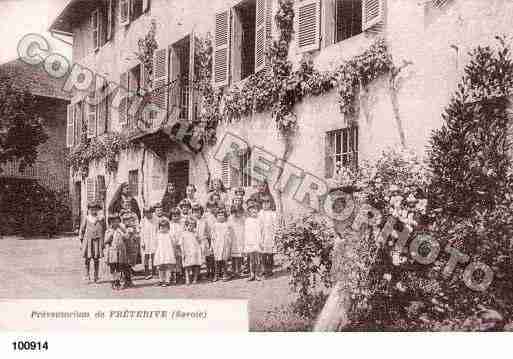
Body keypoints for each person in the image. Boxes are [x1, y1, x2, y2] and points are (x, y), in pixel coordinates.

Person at [79, 201, 105, 284]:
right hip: (88, 241)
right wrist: (81, 241)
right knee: (87, 259)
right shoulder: (86, 218)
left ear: (97, 210)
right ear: (89, 210)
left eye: (95, 209)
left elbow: (103, 230)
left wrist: (103, 241)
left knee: (96, 259)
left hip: (97, 241)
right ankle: (87, 276)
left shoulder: (100, 219)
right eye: (91, 209)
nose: (93, 211)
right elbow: (82, 230)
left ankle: (96, 276)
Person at [104, 213, 128, 290]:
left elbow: (126, 237)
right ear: (110, 222)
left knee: (118, 267)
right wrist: (110, 235)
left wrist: (123, 232)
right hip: (112, 252)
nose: (115, 223)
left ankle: (117, 281)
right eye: (113, 221)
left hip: (120, 251)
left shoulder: (121, 230)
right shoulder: (108, 231)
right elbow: (106, 241)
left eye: (117, 221)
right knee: (112, 267)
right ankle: (112, 280)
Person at [120, 199, 140, 288]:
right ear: (122, 205)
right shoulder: (121, 215)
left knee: (131, 258)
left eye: (129, 204)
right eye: (125, 204)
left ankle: (129, 279)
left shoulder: (134, 215)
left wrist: (136, 233)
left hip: (132, 238)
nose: (127, 206)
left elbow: (137, 224)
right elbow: (119, 225)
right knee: (124, 258)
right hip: (124, 237)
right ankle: (124, 279)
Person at [210, 207, 234, 281]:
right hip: (217, 244)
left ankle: (225, 274)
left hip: (224, 244)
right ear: (216, 216)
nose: (220, 216)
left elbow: (229, 235)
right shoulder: (214, 225)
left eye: (222, 215)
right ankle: (216, 274)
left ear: (225, 216)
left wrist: (229, 244)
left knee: (224, 260)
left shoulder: (227, 225)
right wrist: (212, 245)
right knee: (217, 260)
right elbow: (212, 236)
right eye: (219, 215)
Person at [260, 195, 279, 278]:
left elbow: (276, 225)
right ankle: (264, 268)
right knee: (263, 254)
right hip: (262, 235)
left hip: (270, 235)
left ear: (270, 204)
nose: (265, 205)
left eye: (267, 203)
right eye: (263, 203)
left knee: (270, 254)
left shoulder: (273, 213)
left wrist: (276, 234)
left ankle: (270, 269)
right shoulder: (260, 213)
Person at [153, 218, 176, 287]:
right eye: (161, 227)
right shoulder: (158, 235)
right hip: (160, 253)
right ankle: (161, 280)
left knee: (168, 266)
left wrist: (173, 250)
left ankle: (167, 280)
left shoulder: (170, 234)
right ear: (159, 228)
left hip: (168, 252)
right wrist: (156, 251)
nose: (163, 229)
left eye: (165, 227)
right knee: (160, 267)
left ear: (168, 228)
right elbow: (155, 244)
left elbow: (173, 243)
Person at [192, 204, 212, 281]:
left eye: (198, 211)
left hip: (203, 241)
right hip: (195, 242)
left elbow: (208, 232)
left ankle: (207, 272)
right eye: (195, 212)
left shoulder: (204, 221)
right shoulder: (192, 221)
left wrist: (209, 242)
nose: (196, 213)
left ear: (201, 212)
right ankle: (197, 273)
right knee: (197, 257)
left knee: (205, 257)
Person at [244, 200, 263, 281]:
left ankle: (257, 274)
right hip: (250, 242)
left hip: (257, 242)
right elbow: (246, 232)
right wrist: (246, 243)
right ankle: (252, 274)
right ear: (249, 212)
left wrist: (261, 242)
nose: (254, 213)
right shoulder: (247, 221)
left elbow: (261, 231)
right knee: (251, 260)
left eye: (255, 211)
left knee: (258, 259)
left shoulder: (259, 220)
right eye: (252, 212)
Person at [180, 217, 202, 284]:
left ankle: (195, 278)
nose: (191, 227)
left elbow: (199, 242)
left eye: (193, 226)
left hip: (195, 251)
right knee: (187, 266)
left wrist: (197, 237)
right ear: (186, 226)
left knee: (196, 265)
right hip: (187, 251)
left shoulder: (196, 233)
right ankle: (187, 278)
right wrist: (182, 251)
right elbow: (181, 243)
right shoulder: (183, 234)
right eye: (189, 225)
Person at [229, 200, 245, 278]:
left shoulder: (243, 219)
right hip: (233, 239)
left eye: (238, 212)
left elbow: (244, 228)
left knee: (239, 256)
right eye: (235, 212)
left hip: (240, 238)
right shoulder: (230, 218)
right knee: (233, 256)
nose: (236, 214)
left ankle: (238, 270)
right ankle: (233, 270)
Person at [140, 207, 156, 280]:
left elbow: (157, 230)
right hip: (146, 240)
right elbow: (141, 232)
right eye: (146, 213)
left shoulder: (156, 220)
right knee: (146, 256)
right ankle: (146, 272)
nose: (148, 214)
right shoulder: (143, 221)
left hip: (154, 239)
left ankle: (153, 272)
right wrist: (142, 242)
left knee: (153, 256)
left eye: (149, 212)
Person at [169, 207, 184, 284]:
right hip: (171, 245)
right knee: (172, 260)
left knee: (179, 260)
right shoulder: (169, 225)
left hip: (179, 245)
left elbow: (182, 234)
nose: (175, 217)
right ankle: (172, 275)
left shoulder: (181, 224)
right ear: (171, 216)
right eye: (174, 216)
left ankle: (179, 275)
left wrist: (180, 243)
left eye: (177, 215)